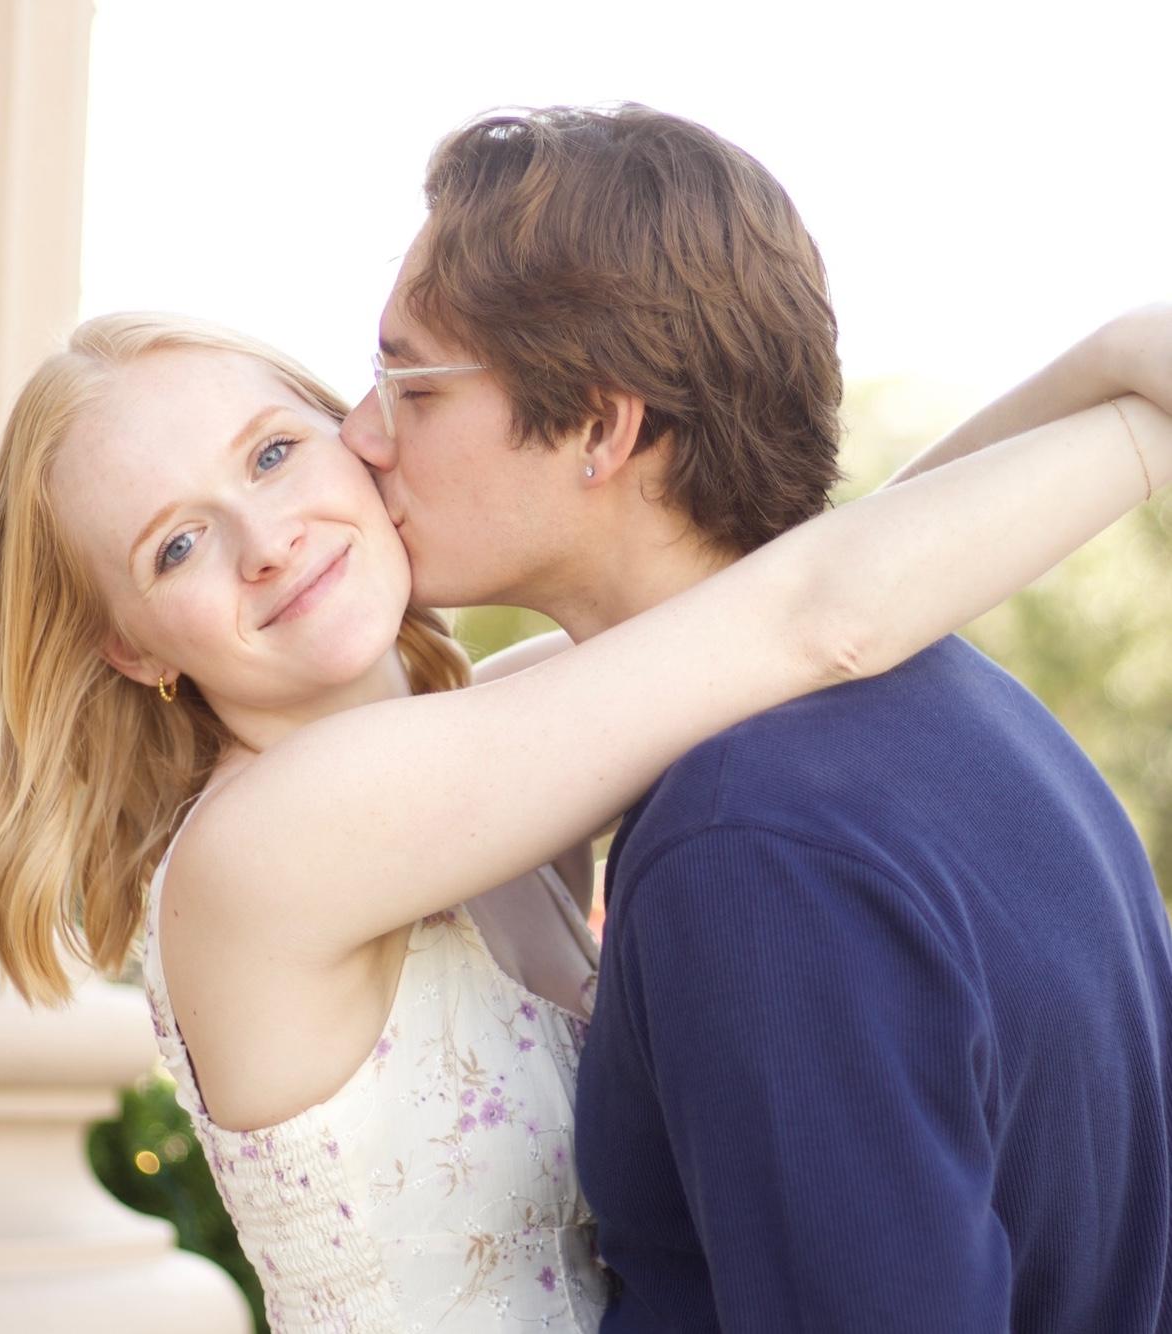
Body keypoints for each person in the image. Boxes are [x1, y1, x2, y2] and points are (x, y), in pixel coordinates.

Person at [338, 104, 1172, 1332]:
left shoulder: (746, 847)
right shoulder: (959, 702)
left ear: (599, 427)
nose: (359, 434)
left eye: (407, 382)